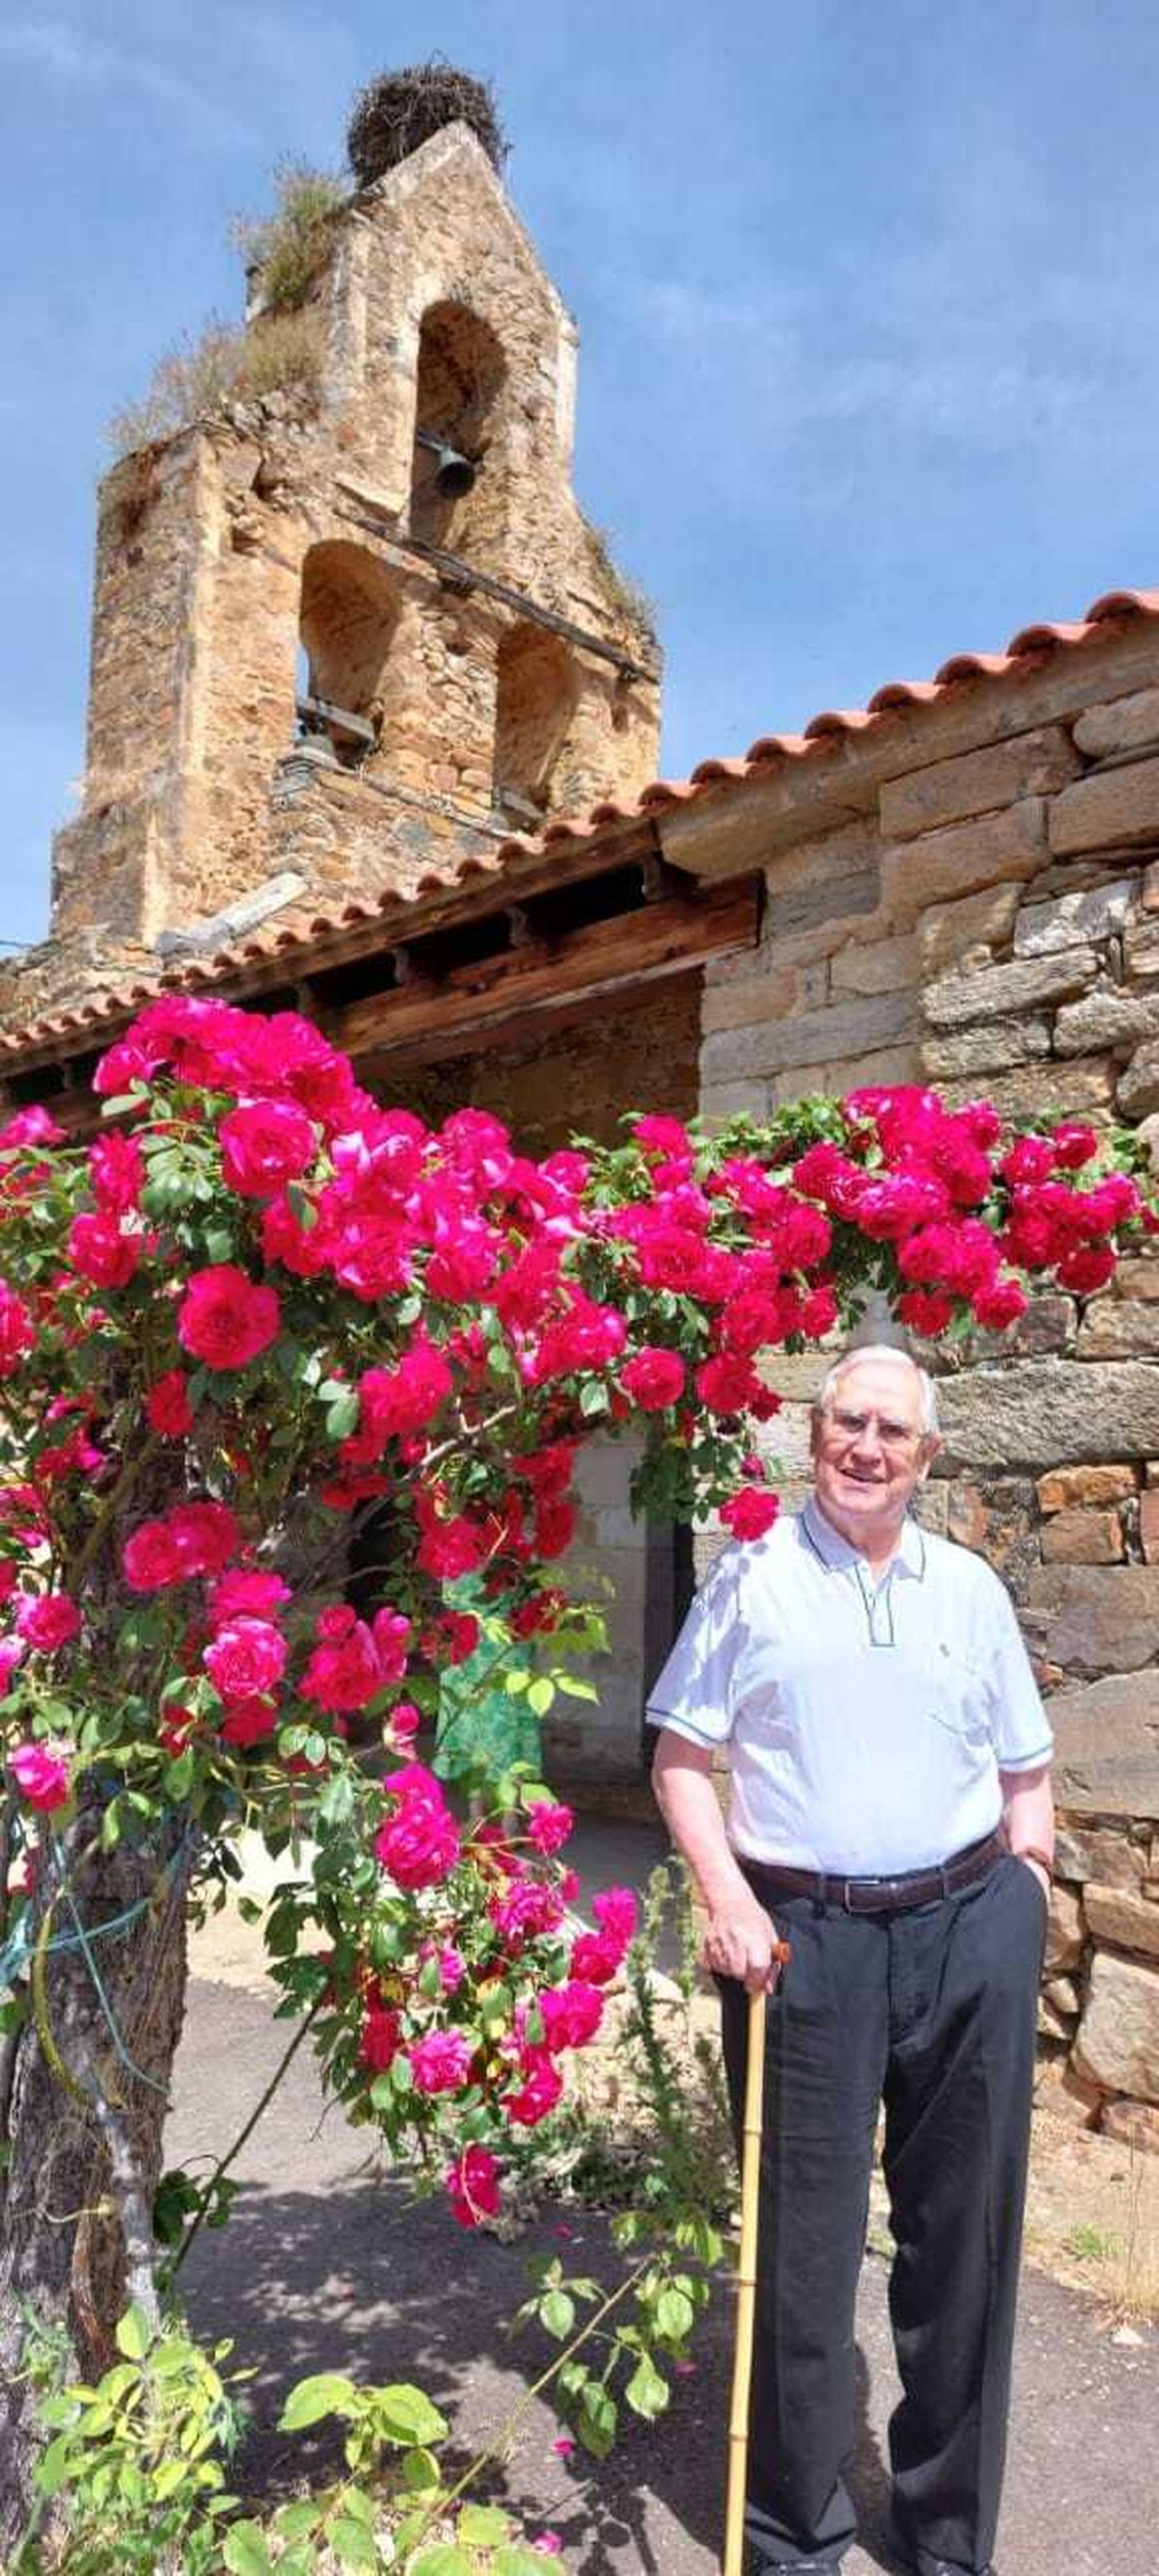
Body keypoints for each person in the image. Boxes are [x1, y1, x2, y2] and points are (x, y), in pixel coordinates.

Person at [648, 1345, 1053, 2576]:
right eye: (847, 1423)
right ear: (814, 1434)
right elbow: (679, 1754)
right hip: (799, 1944)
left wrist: (1026, 1889)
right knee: (800, 2256)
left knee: (964, 2245)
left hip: (968, 1925)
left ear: (928, 1457)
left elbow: (1025, 1764)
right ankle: (794, 2536)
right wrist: (725, 1897)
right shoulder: (750, 1581)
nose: (867, 1447)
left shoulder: (970, 1589)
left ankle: (944, 2537)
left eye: (893, 1430)